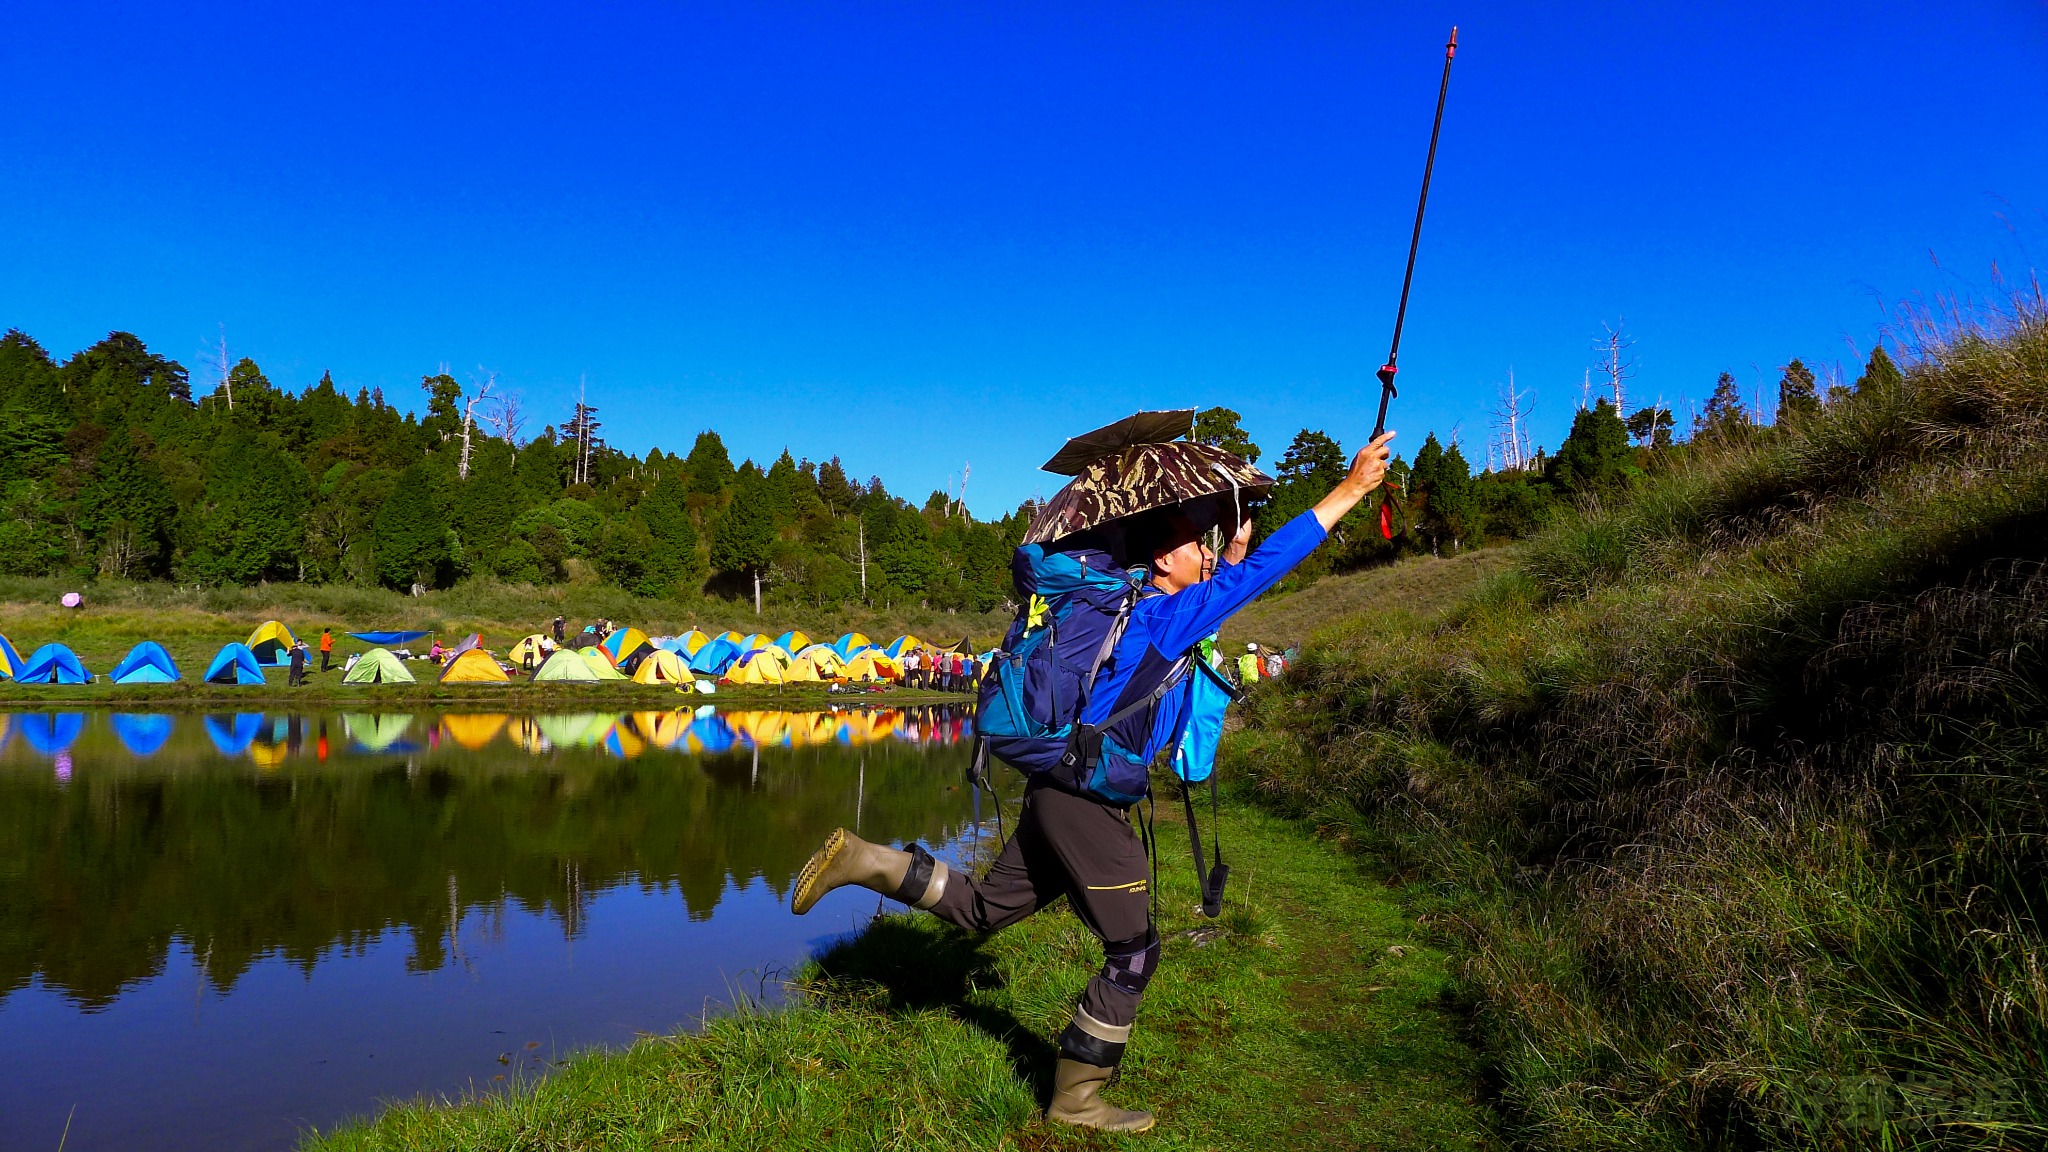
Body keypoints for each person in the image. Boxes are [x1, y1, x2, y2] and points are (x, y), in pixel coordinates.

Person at [790, 430, 1396, 1133]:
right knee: (1136, 952)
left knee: (988, 912)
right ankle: (1076, 1100)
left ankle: (863, 859)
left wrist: (1225, 553)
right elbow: (1260, 573)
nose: (1207, 550)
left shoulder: (1138, 609)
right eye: (1196, 541)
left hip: (1057, 790)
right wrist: (1350, 491)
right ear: (1161, 556)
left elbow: (1228, 584)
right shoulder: (1163, 616)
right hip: (1084, 806)